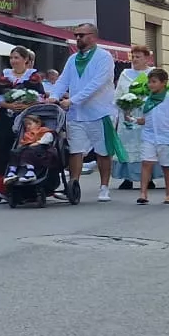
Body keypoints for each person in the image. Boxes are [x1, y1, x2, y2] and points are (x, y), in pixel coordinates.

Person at [51, 23, 118, 203]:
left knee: (103, 152)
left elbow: (96, 85)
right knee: (75, 150)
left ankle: (104, 187)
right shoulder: (72, 59)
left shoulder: (104, 57)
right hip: (77, 114)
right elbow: (63, 80)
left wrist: (72, 100)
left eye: (81, 35)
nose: (78, 38)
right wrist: (53, 96)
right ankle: (73, 186)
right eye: (76, 35)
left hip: (100, 112)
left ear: (93, 37)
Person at [0, 46, 47, 200]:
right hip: (6, 118)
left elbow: (39, 97)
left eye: (17, 57)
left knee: (24, 148)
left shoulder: (33, 77)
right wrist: (11, 105)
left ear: (26, 60)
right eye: (12, 58)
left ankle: (27, 188)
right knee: (2, 149)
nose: (13, 61)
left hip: (27, 118)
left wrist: (25, 105)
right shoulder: (5, 76)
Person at [133, 68, 169, 205]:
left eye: (154, 82)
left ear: (164, 83)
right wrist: (136, 120)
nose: (151, 85)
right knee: (146, 163)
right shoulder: (146, 101)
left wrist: (168, 125)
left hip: (166, 138)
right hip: (149, 136)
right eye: (149, 82)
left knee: (167, 167)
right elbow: (144, 119)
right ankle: (143, 193)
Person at [112, 44, 154, 192]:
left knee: (146, 145)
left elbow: (158, 93)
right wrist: (123, 103)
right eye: (133, 57)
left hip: (146, 115)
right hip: (128, 115)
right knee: (127, 145)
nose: (135, 60)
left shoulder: (153, 73)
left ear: (146, 58)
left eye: (138, 57)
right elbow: (118, 93)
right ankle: (128, 177)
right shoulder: (125, 74)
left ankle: (148, 177)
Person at [7, 113, 55, 183]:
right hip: (28, 148)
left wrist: (38, 142)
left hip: (41, 150)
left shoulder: (43, 130)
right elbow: (22, 143)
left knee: (29, 151)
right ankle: (12, 172)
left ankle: (31, 172)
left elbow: (49, 137)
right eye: (26, 125)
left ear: (38, 124)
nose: (27, 126)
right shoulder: (27, 134)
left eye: (30, 124)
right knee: (14, 152)